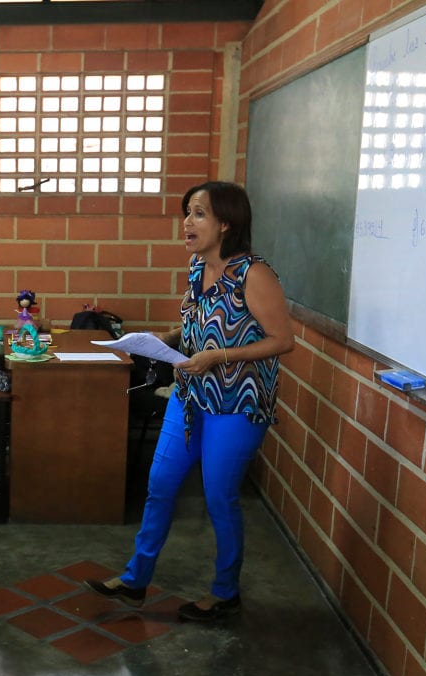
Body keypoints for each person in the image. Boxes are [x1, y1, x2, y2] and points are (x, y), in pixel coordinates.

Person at [84, 181, 294, 622]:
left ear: (226, 223)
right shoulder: (198, 267)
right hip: (190, 396)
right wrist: (165, 338)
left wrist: (219, 356)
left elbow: (282, 341)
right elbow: (200, 322)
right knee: (159, 485)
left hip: (238, 403)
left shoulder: (254, 274)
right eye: (187, 213)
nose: (187, 222)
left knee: (219, 496)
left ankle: (225, 593)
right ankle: (136, 580)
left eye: (198, 213)